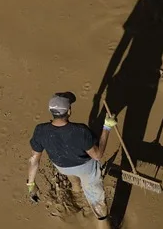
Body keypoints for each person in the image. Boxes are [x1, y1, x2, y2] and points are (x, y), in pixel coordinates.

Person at [27, 93, 117, 221]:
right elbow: (98, 155)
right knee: (96, 198)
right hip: (86, 168)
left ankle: (76, 189)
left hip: (62, 167)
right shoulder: (80, 131)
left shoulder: (40, 130)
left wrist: (31, 184)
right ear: (69, 111)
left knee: (73, 178)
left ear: (51, 111)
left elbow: (33, 160)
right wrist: (107, 127)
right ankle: (102, 221)